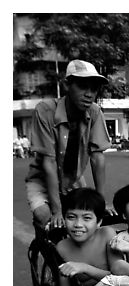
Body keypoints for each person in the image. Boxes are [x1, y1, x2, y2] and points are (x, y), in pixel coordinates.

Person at [25, 59, 113, 230]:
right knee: (48, 220)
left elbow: (97, 158)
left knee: (88, 220)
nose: (89, 93)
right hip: (42, 180)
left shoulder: (94, 112)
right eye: (82, 86)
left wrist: (100, 204)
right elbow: (49, 162)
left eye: (94, 88)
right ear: (67, 85)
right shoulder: (45, 110)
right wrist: (56, 211)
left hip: (73, 180)